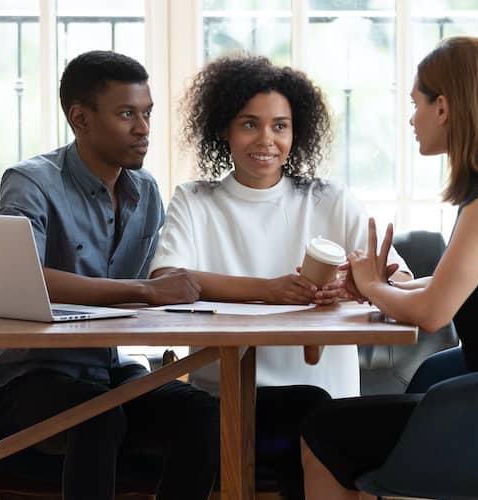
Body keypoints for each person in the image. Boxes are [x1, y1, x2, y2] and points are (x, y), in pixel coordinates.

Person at [298, 36, 478, 499]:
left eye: (416, 103)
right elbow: (457, 285)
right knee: (353, 438)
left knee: (323, 432)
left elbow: (432, 313)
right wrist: (373, 289)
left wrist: (370, 283)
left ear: (443, 107)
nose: (412, 118)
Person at [147, 55, 409, 499]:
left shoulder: (329, 199)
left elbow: (398, 279)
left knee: (310, 419)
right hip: (226, 396)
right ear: (224, 129)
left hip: (327, 399)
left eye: (280, 126)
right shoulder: (195, 200)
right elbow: (168, 278)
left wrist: (353, 286)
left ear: (296, 132)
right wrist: (269, 291)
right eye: (250, 124)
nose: (266, 139)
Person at [0, 50, 219, 500]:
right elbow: (23, 278)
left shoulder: (144, 190)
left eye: (146, 113)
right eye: (127, 114)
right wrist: (144, 291)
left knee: (202, 412)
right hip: (26, 382)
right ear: (80, 118)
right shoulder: (30, 182)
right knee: (99, 416)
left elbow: (159, 281)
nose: (143, 129)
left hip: (108, 373)